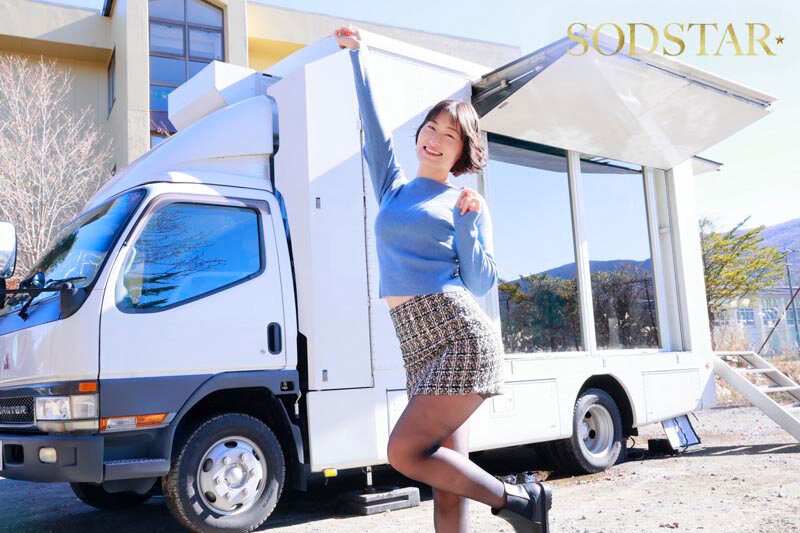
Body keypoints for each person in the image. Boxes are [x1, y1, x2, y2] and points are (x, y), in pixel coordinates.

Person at [333, 24, 552, 533]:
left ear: (461, 151)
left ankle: (519, 502)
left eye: (448, 135)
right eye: (430, 128)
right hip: (416, 342)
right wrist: (357, 57)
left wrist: (469, 224)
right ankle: (520, 505)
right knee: (447, 483)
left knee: (405, 451)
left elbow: (480, 282)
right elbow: (372, 124)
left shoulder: (465, 202)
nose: (434, 140)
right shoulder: (392, 188)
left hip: (457, 332)